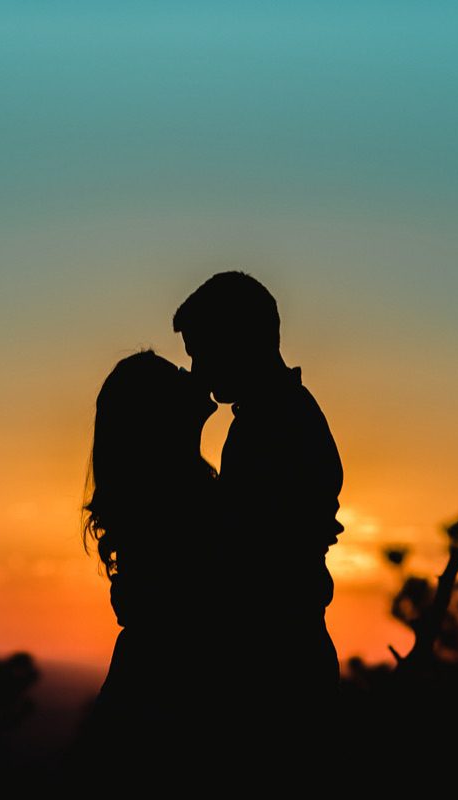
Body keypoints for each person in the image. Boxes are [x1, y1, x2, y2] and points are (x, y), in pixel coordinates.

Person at [173, 271, 345, 765]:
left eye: (200, 350)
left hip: (277, 669)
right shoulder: (276, 416)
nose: (196, 368)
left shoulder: (274, 426)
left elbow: (238, 552)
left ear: (238, 339)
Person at [74, 348, 226, 778]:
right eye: (176, 374)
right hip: (165, 711)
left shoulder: (180, 496)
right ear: (158, 419)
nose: (191, 374)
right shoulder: (179, 507)